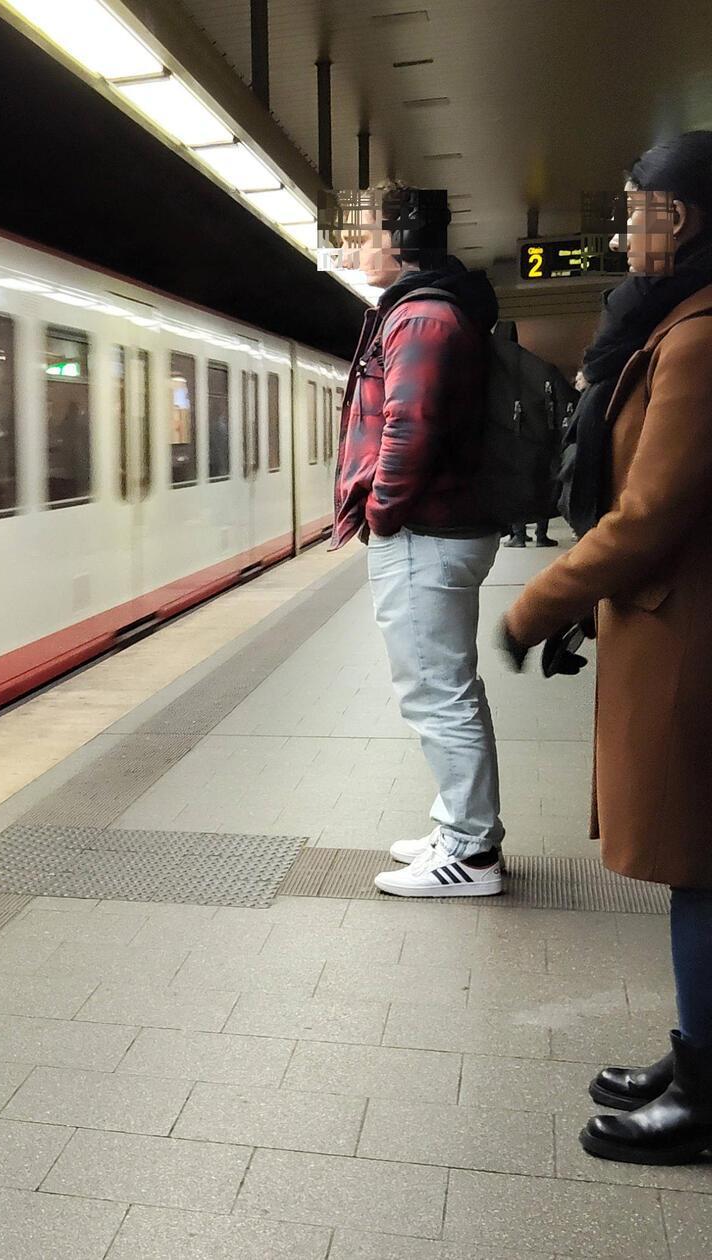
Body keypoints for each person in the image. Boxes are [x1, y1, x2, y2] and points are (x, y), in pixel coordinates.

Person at [501, 130, 712, 1165]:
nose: (625, 229)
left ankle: (706, 1093)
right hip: (675, 626)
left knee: (698, 866)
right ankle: (697, 1058)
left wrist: (538, 601)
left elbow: (650, 512)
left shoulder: (701, 336)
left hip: (692, 644)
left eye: (638, 210)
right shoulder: (673, 322)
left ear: (681, 220)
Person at [327, 183, 510, 896]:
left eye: (365, 231)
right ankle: (460, 825)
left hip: (425, 529)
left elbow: (410, 427)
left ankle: (470, 851)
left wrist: (382, 512)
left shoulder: (424, 319)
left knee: (436, 692)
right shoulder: (432, 310)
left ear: (403, 237)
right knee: (445, 687)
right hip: (437, 525)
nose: (354, 246)